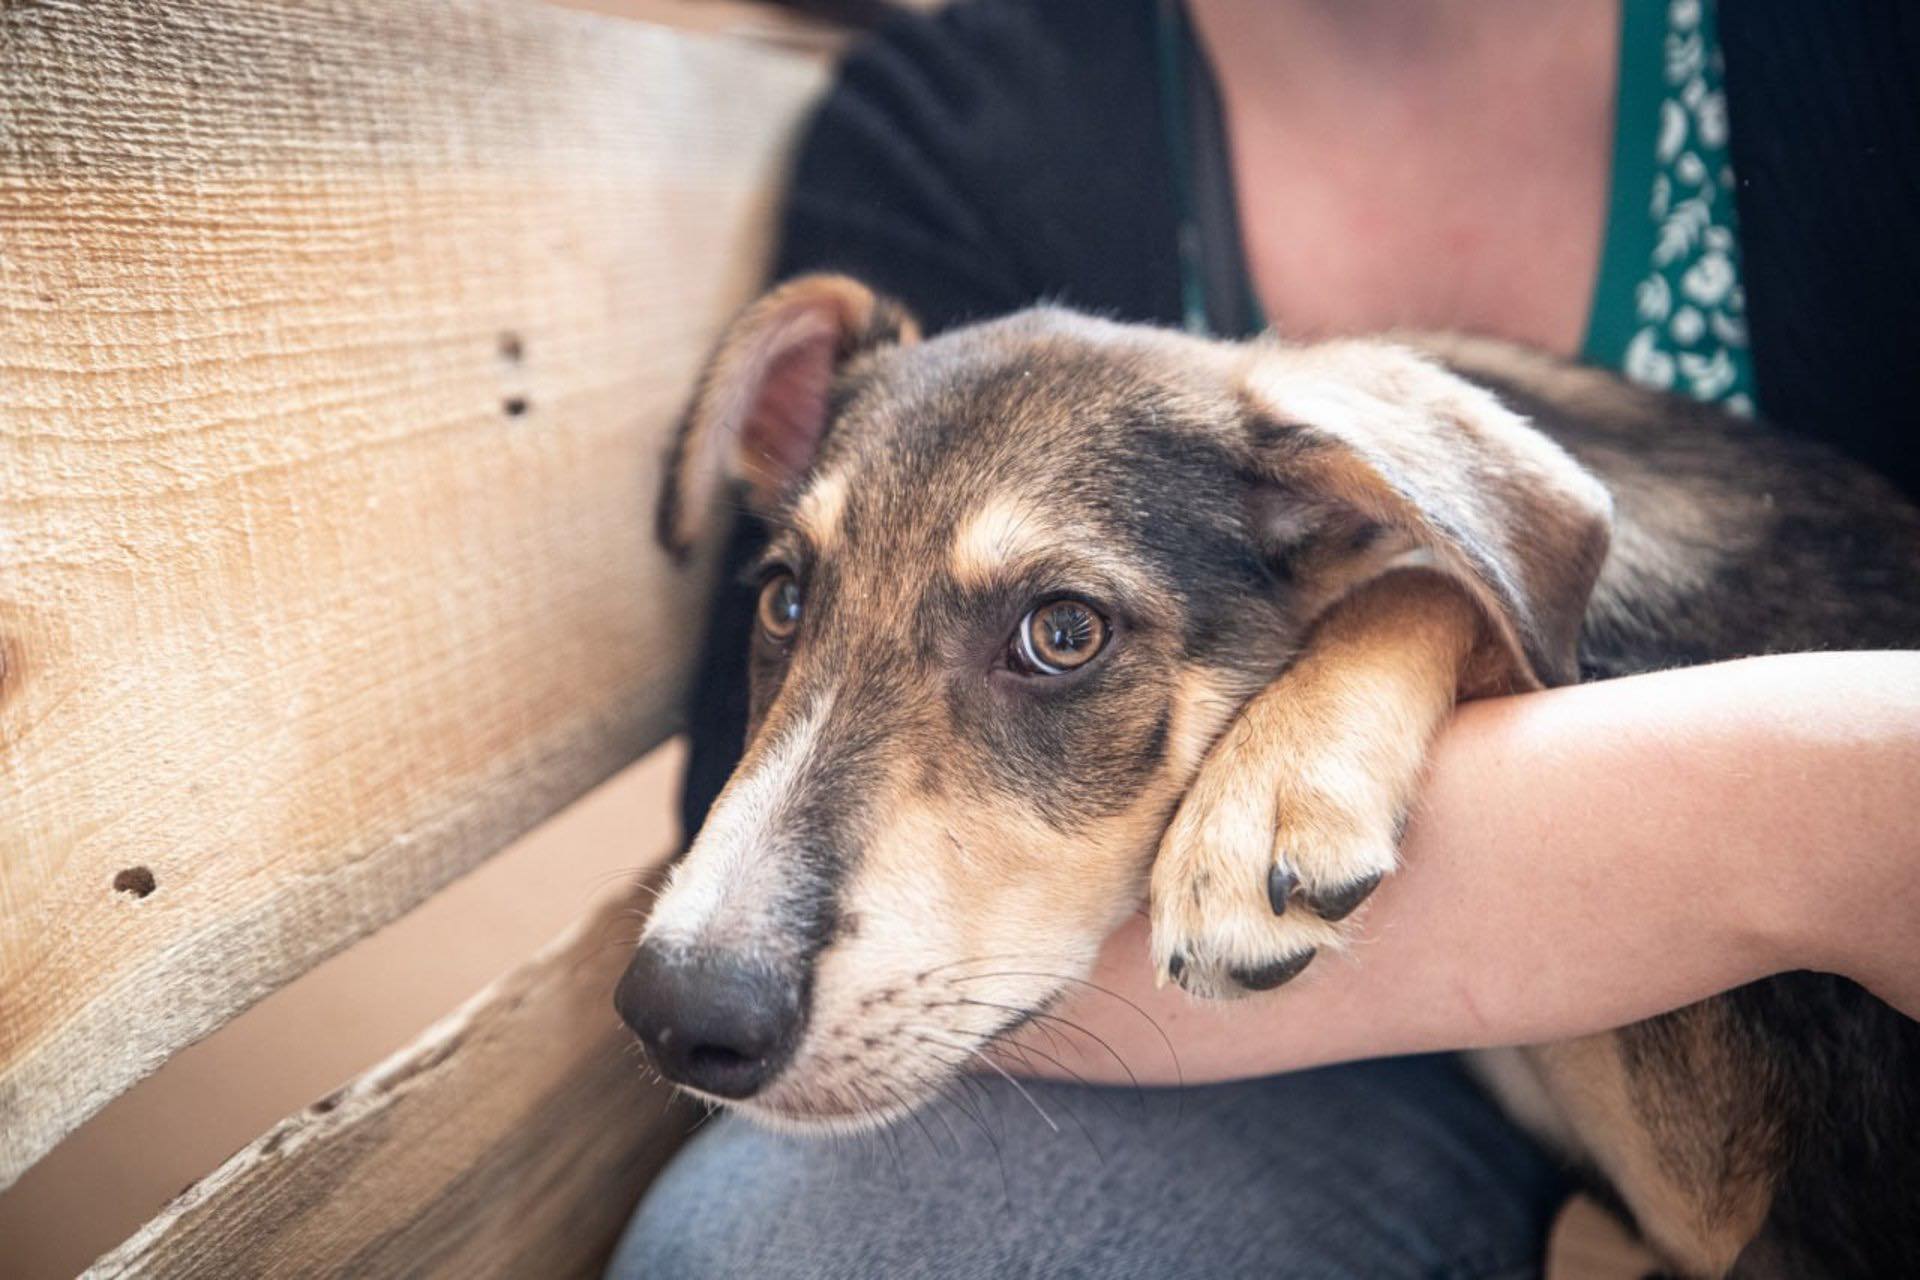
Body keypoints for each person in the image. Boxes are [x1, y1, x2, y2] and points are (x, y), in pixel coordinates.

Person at [612, 2, 1920, 1274]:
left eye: (1058, 628)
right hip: (1272, 1059)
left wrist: (1415, 627)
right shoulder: (956, 123)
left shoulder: (1854, 43)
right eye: (791, 600)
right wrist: (1810, 811)